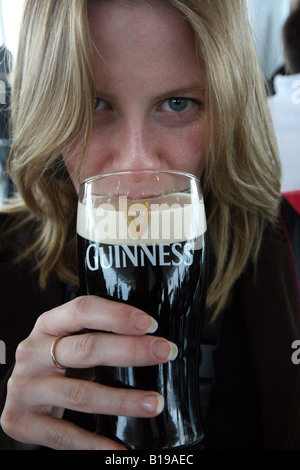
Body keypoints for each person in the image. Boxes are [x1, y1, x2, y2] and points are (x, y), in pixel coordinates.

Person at [0, 0, 299, 451]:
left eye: (178, 104)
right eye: (93, 102)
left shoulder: (287, 242)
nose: (137, 169)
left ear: (227, 108)